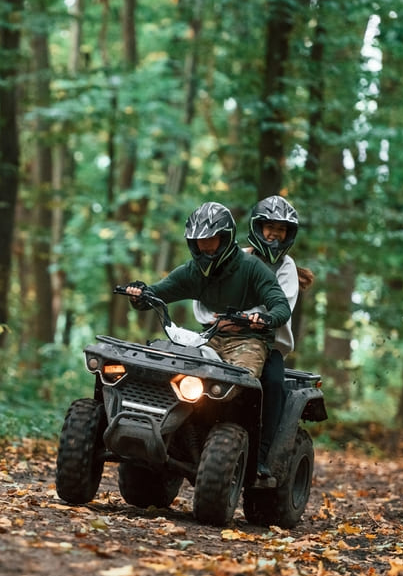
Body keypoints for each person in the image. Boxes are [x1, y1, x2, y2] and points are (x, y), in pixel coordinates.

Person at [125, 202, 291, 474]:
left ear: (225, 238)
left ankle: (253, 452)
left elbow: (280, 305)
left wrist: (267, 318)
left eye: (211, 240)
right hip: (210, 338)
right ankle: (175, 432)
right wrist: (139, 294)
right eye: (199, 241)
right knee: (177, 371)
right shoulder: (192, 272)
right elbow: (157, 293)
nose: (205, 247)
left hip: (249, 341)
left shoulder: (251, 268)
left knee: (241, 386)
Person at [193, 195, 313, 480]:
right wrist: (212, 317)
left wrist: (245, 318)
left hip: (266, 344)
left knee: (272, 383)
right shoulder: (236, 257)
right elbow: (207, 290)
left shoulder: (286, 268)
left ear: (288, 234)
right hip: (220, 335)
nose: (274, 233)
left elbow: (279, 306)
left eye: (281, 229)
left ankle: (262, 456)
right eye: (269, 226)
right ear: (258, 228)